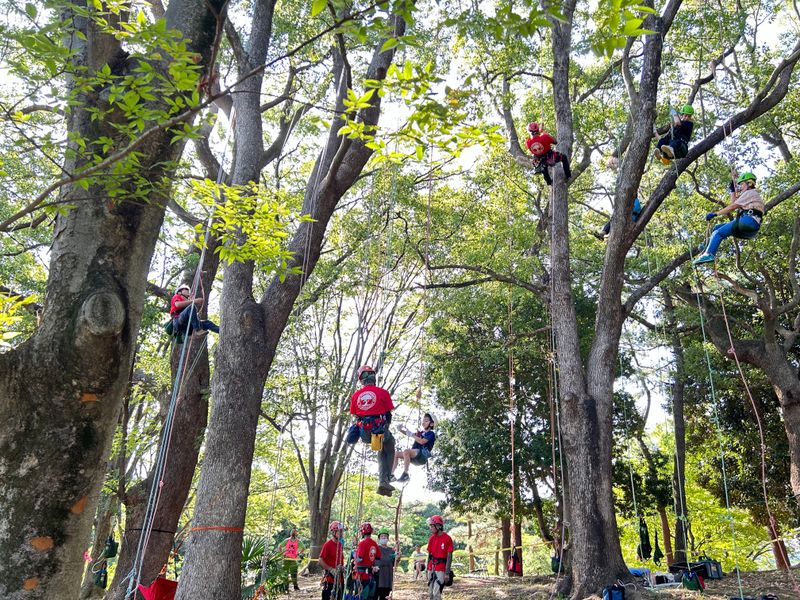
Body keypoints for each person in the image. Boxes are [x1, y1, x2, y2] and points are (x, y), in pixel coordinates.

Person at [694, 171, 765, 265]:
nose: (740, 187)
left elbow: (732, 207)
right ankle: (708, 246)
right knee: (717, 228)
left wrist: (715, 214)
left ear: (749, 183)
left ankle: (709, 254)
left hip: (748, 221)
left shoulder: (750, 193)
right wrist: (732, 190)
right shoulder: (750, 195)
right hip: (751, 228)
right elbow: (734, 202)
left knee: (717, 233)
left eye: (742, 184)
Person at [347, 365, 396, 497]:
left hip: (365, 432)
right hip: (378, 429)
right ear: (373, 378)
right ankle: (387, 477)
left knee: (380, 449)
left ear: (361, 380)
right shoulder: (383, 393)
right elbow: (388, 414)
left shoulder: (355, 396)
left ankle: (383, 483)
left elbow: (355, 415)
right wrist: (386, 427)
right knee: (390, 444)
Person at [391, 413, 436, 483]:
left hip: (422, 456)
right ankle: (391, 475)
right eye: (423, 420)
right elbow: (409, 433)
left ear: (432, 424)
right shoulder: (420, 433)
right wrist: (400, 430)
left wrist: (412, 435)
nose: (423, 422)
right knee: (396, 454)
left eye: (426, 421)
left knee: (406, 451)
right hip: (415, 456)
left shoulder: (431, 433)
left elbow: (422, 441)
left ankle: (405, 474)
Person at [426, 515, 453, 600]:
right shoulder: (431, 539)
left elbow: (449, 556)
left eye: (432, 526)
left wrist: (447, 573)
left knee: (436, 592)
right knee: (430, 593)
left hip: (441, 567)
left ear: (438, 526)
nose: (430, 528)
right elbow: (429, 555)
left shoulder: (447, 538)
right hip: (431, 566)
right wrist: (427, 569)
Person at [354, 522, 381, 600]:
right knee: (370, 597)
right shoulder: (374, 544)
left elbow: (360, 558)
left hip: (362, 575)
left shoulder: (362, 543)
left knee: (360, 597)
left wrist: (354, 555)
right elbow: (378, 557)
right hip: (371, 575)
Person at [320, 521, 346, 600]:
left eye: (342, 532)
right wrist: (331, 569)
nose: (341, 533)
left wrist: (342, 568)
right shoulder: (328, 545)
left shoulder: (340, 545)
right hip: (330, 579)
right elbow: (320, 560)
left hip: (339, 579)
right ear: (333, 532)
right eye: (339, 531)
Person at [374, 529, 398, 600]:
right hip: (378, 576)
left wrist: (397, 557)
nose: (384, 538)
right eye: (382, 536)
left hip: (387, 577)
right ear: (379, 538)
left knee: (385, 597)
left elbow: (394, 563)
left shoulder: (391, 550)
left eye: (385, 536)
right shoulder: (376, 548)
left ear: (388, 538)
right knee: (375, 595)